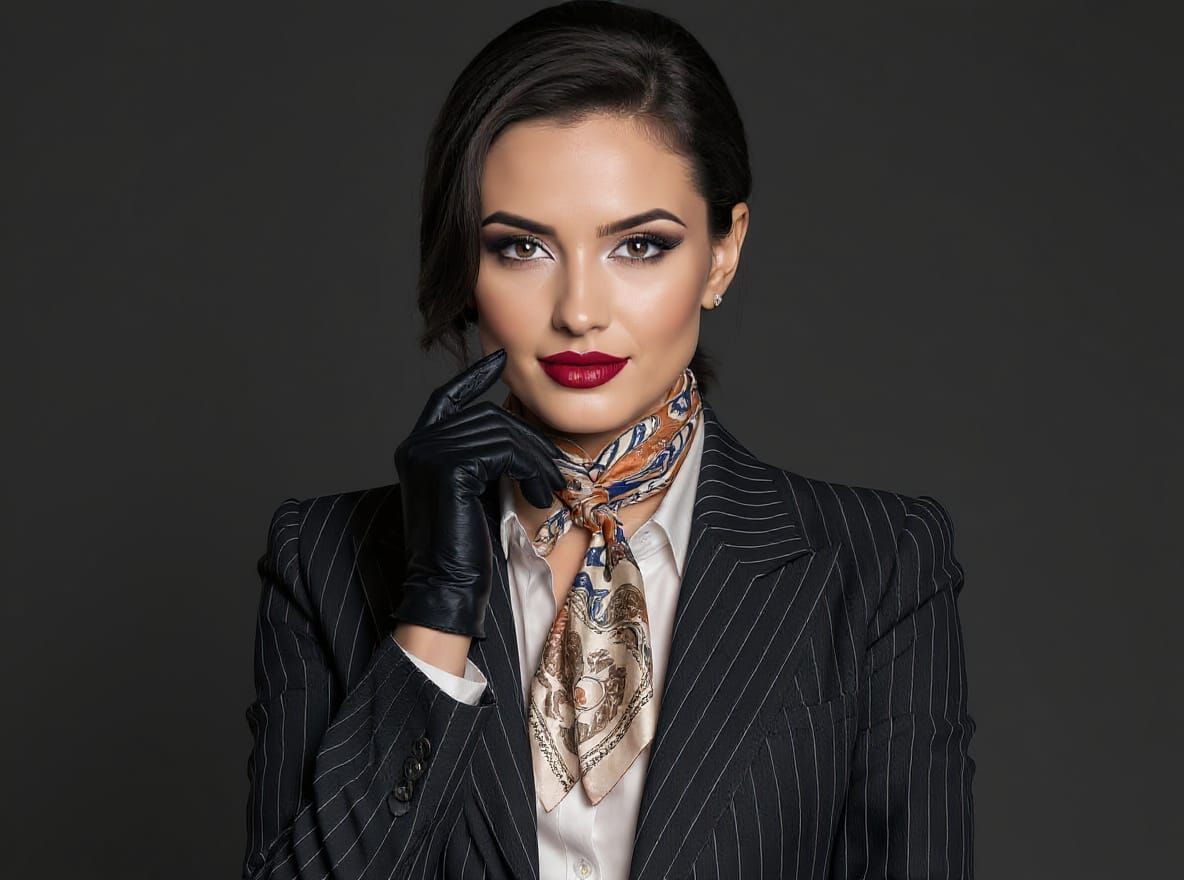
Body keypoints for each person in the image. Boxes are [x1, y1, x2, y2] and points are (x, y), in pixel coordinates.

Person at [241, 2, 976, 878]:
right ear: (464, 266)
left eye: (639, 245)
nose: (579, 310)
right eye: (522, 248)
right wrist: (437, 604)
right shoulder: (323, 562)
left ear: (722, 253)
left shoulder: (878, 566)